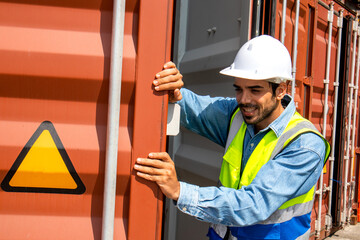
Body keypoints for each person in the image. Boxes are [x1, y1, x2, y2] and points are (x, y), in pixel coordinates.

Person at [134, 35, 330, 239]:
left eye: (255, 90)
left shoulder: (306, 145)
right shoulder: (237, 115)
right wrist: (173, 91)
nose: (244, 100)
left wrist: (180, 191)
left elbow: (254, 204)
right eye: (239, 89)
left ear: (280, 90)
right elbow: (192, 109)